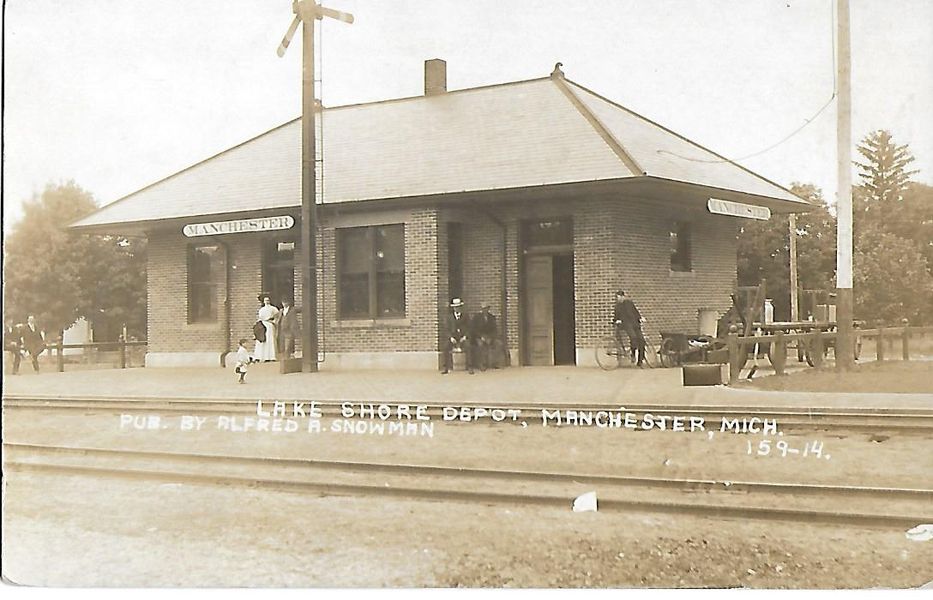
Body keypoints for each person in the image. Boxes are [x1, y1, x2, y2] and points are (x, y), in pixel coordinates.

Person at [613, 290, 647, 367]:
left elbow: (635, 311)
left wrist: (640, 318)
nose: (619, 299)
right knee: (633, 337)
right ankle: (633, 354)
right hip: (626, 324)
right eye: (618, 298)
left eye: (620, 297)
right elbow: (616, 316)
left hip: (635, 323)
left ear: (623, 296)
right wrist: (616, 320)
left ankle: (640, 359)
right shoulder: (618, 306)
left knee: (641, 340)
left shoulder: (629, 303)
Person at [441, 298, 474, 375]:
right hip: (453, 338)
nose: (457, 309)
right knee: (445, 347)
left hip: (463, 337)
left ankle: (470, 367)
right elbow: (446, 329)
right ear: (453, 308)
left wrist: (465, 336)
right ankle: (446, 367)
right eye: (456, 307)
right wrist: (451, 338)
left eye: (459, 307)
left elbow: (469, 328)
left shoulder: (466, 316)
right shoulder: (449, 317)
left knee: (468, 346)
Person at [471, 303, 499, 371]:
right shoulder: (477, 317)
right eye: (484, 309)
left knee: (498, 344)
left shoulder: (492, 317)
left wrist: (490, 338)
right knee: (481, 345)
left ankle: (494, 363)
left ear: (488, 309)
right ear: (481, 309)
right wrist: (481, 337)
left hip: (489, 336)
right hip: (479, 337)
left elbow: (494, 329)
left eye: (486, 308)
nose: (485, 310)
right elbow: (474, 329)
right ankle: (481, 364)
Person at [253, 295, 279, 362]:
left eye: (268, 300)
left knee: (270, 340)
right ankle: (262, 356)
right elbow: (260, 318)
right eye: (265, 300)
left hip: (270, 325)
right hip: (263, 325)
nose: (267, 302)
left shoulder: (273, 308)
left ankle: (271, 356)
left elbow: (277, 317)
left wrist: (274, 322)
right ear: (263, 302)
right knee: (263, 340)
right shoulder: (261, 310)